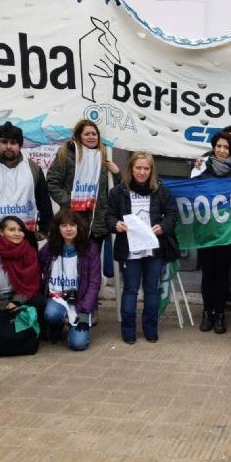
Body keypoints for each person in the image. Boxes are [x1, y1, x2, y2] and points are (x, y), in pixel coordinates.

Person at [106, 152, 177, 344]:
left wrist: (163, 226)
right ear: (131, 168)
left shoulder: (161, 190)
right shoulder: (119, 191)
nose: (142, 172)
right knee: (130, 290)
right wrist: (116, 225)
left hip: (154, 249)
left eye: (146, 168)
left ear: (152, 170)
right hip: (129, 249)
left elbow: (172, 215)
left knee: (152, 290)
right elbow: (109, 215)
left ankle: (150, 328)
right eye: (138, 167)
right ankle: (128, 330)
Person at [196, 132, 231, 334]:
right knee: (208, 273)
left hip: (227, 233)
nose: (221, 150)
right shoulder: (201, 170)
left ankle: (219, 314)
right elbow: (191, 196)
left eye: (226, 147)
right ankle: (206, 312)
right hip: (205, 232)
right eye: (218, 146)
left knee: (221, 274)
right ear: (213, 148)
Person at [0, 121, 53, 242]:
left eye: (13, 142)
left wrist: (44, 229)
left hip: (25, 237)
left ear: (20, 146)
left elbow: (44, 201)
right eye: (4, 142)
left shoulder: (33, 168)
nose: (8, 146)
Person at [47, 119, 120, 248]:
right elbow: (52, 182)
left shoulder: (103, 157)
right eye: (87, 134)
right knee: (72, 262)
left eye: (94, 134)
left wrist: (117, 173)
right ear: (79, 136)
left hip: (97, 222)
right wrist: (69, 202)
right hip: (72, 220)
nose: (91, 137)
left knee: (93, 263)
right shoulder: (66, 154)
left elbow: (116, 190)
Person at [0, 216, 42, 343]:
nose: (17, 233)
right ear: (1, 232)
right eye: (11, 229)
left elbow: (30, 283)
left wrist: (16, 302)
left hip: (15, 298)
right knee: (3, 325)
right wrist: (4, 305)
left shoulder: (27, 251)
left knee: (41, 305)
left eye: (20, 230)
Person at [39, 209, 102, 351]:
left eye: (72, 225)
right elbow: (37, 265)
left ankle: (74, 328)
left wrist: (85, 311)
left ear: (79, 227)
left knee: (78, 344)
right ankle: (56, 325)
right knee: (52, 314)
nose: (68, 229)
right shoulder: (50, 247)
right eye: (64, 225)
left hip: (80, 300)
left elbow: (94, 283)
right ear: (58, 228)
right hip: (56, 297)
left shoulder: (90, 249)